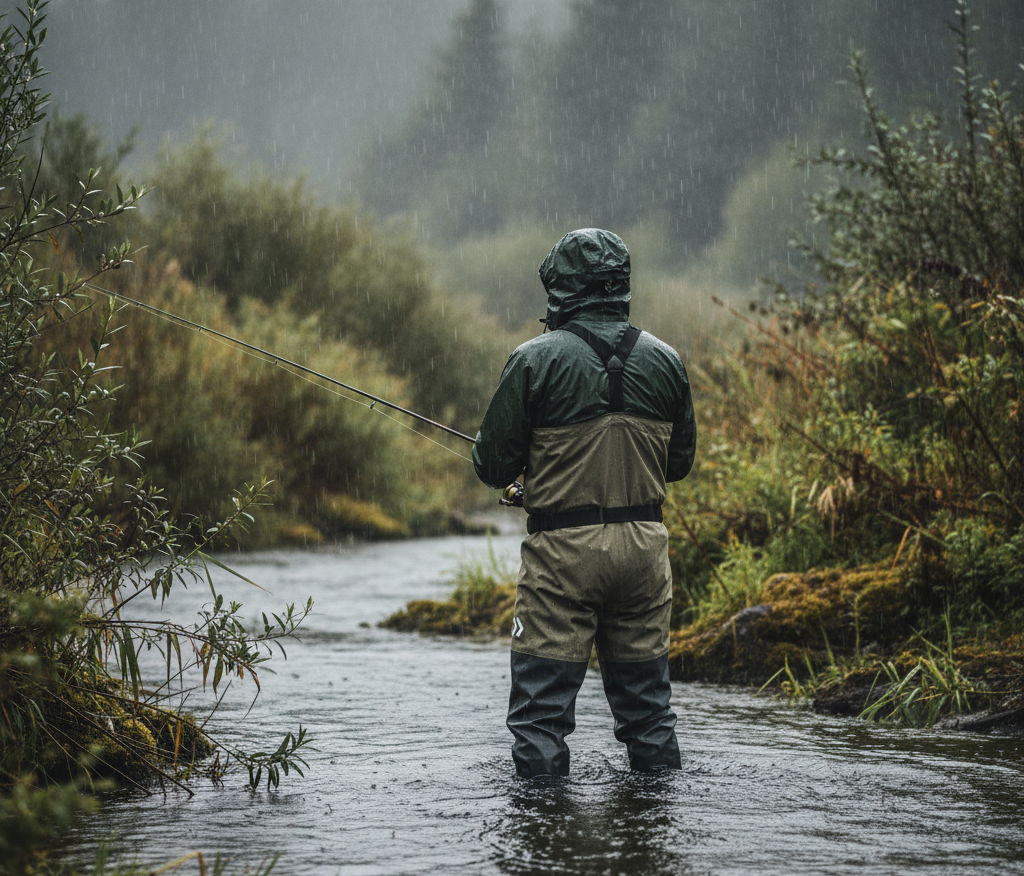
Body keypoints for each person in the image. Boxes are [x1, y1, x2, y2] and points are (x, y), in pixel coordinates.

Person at [472, 228, 697, 778]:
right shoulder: (666, 360)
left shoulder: (533, 360)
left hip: (564, 560)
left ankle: (544, 839)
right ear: (620, 285)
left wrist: (538, 472)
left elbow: (492, 467)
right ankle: (654, 832)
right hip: (645, 555)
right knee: (649, 715)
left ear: (561, 288)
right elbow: (679, 464)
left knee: (540, 719)